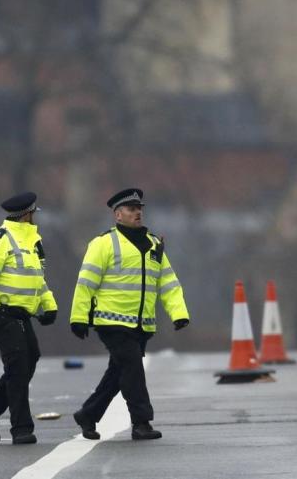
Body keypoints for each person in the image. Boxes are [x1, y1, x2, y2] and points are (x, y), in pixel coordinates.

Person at [69, 188, 190, 441]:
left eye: (140, 209)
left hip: (141, 324)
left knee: (118, 373)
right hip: (111, 321)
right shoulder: (103, 244)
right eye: (131, 209)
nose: (138, 213)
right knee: (133, 368)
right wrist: (79, 317)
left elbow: (168, 282)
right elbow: (86, 283)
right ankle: (141, 422)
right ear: (117, 215)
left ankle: (88, 414)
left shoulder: (154, 244)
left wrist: (178, 313)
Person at [0, 192, 58, 445]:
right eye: (34, 213)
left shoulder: (34, 242)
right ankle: (21, 428)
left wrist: (48, 306)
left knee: (29, 361)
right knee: (17, 368)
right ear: (28, 214)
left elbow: (37, 279)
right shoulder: (0, 239)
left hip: (21, 314)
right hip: (0, 312)